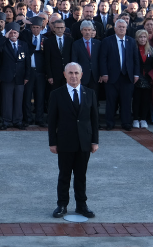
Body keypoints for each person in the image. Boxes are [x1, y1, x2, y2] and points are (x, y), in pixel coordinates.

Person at [48, 62, 99, 219]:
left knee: (81, 175)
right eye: (70, 73)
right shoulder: (56, 94)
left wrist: (94, 141)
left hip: (84, 142)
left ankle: (81, 205)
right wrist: (52, 142)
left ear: (81, 75)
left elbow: (94, 119)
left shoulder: (89, 93)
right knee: (64, 175)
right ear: (64, 75)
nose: (73, 76)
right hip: (65, 141)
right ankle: (62, 204)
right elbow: (52, 121)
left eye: (76, 73)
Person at [98, 19, 140, 131]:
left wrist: (136, 74)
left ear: (126, 29)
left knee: (126, 101)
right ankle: (109, 123)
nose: (121, 28)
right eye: (119, 27)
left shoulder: (131, 41)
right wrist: (104, 73)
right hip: (111, 77)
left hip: (127, 77)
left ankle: (126, 123)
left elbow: (136, 59)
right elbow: (103, 59)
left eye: (123, 27)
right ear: (115, 28)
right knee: (111, 101)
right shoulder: (107, 41)